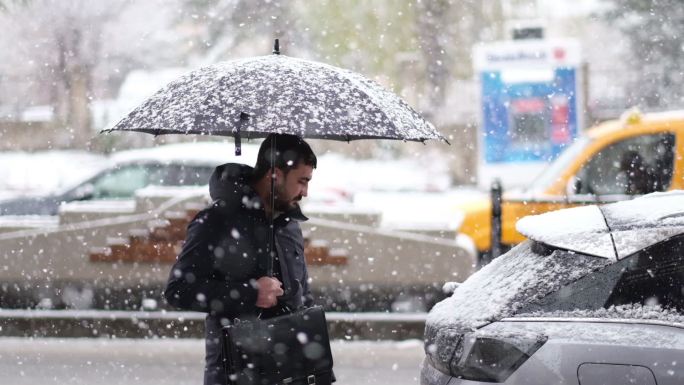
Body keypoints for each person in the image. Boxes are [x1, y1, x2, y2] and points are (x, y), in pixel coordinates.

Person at [164, 133, 317, 385]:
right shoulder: (216, 221)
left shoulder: (289, 226)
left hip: (288, 372)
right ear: (275, 174)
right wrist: (250, 293)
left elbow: (303, 295)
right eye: (302, 181)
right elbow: (178, 290)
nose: (305, 192)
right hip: (234, 374)